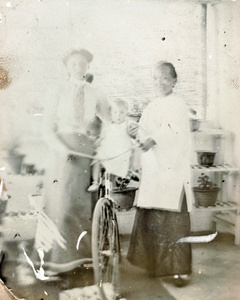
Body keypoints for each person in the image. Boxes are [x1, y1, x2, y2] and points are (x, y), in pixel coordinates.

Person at [33, 49, 110, 273]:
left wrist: (104, 141)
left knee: (82, 206)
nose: (79, 67)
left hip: (85, 153)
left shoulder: (96, 92)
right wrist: (61, 149)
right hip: (62, 154)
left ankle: (83, 260)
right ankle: (54, 262)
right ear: (66, 67)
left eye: (83, 64)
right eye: (74, 63)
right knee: (61, 206)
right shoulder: (56, 90)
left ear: (88, 67)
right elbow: (46, 128)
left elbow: (110, 121)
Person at [127, 61, 192, 287]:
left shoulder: (178, 104)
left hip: (172, 169)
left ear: (174, 81)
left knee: (173, 220)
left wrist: (152, 139)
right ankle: (153, 265)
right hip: (155, 168)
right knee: (152, 217)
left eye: (165, 78)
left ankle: (179, 270)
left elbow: (174, 131)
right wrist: (135, 132)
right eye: (156, 78)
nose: (160, 82)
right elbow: (144, 132)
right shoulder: (151, 106)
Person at [88, 98, 133, 191]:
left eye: (122, 112)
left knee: (121, 166)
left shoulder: (127, 125)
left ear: (126, 114)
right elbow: (102, 136)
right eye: (115, 112)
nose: (118, 116)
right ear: (111, 113)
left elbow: (134, 135)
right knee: (97, 159)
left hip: (121, 151)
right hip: (108, 150)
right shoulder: (108, 125)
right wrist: (98, 141)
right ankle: (95, 182)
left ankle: (123, 178)